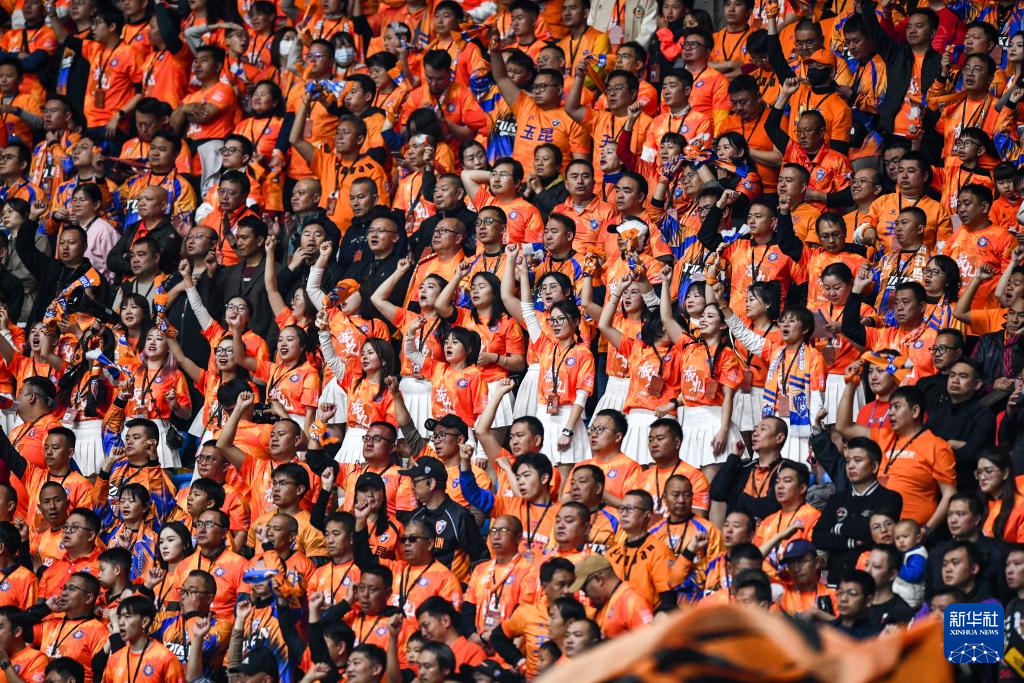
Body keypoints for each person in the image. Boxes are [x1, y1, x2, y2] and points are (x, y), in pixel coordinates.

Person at [568, 555, 653, 638]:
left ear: (598, 579)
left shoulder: (632, 600)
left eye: (584, 589)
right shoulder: (605, 602)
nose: (586, 595)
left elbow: (649, 640)